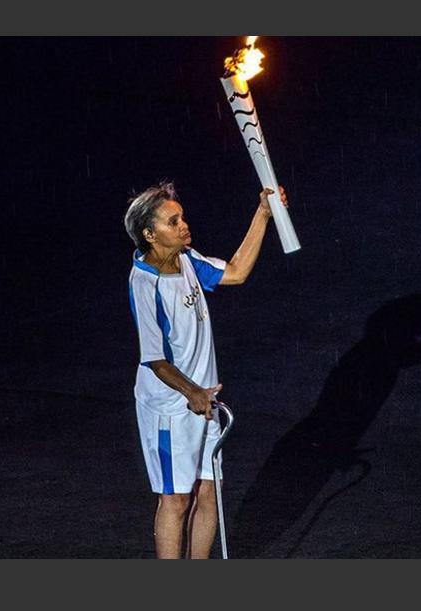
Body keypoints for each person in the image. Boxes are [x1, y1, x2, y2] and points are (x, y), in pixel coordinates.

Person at [124, 180, 285, 559]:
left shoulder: (187, 259)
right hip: (169, 407)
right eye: (172, 221)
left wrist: (263, 213)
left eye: (181, 217)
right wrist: (192, 392)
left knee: (209, 492)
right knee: (176, 499)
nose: (183, 225)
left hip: (204, 399)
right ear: (149, 234)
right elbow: (155, 359)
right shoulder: (144, 284)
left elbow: (237, 271)